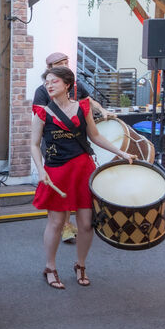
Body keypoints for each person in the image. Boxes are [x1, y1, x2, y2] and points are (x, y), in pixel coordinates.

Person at [31, 66, 134, 290]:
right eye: (47, 82)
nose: (49, 85)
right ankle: (50, 267)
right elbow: (33, 143)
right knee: (57, 223)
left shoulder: (83, 107)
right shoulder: (42, 112)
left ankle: (80, 265)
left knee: (86, 224)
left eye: (54, 81)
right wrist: (40, 169)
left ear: (67, 85)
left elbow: (95, 136)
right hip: (56, 171)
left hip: (83, 170)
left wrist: (122, 153)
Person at [32, 51, 113, 244]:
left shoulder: (77, 85)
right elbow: (41, 116)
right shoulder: (42, 91)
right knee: (62, 192)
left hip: (76, 146)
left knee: (79, 190)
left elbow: (88, 101)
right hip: (54, 144)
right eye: (61, 63)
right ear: (50, 68)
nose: (66, 65)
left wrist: (101, 110)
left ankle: (72, 226)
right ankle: (65, 225)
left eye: (66, 62)